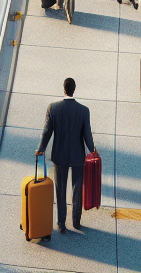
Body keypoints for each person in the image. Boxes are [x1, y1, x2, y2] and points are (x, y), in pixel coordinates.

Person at [35, 77, 97, 233]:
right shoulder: (84, 110)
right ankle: (76, 221)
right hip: (77, 155)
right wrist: (92, 149)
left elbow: (47, 131)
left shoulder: (53, 108)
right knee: (77, 188)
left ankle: (61, 223)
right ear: (74, 89)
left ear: (64, 89)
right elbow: (87, 134)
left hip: (60, 156)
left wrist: (41, 148)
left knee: (60, 190)